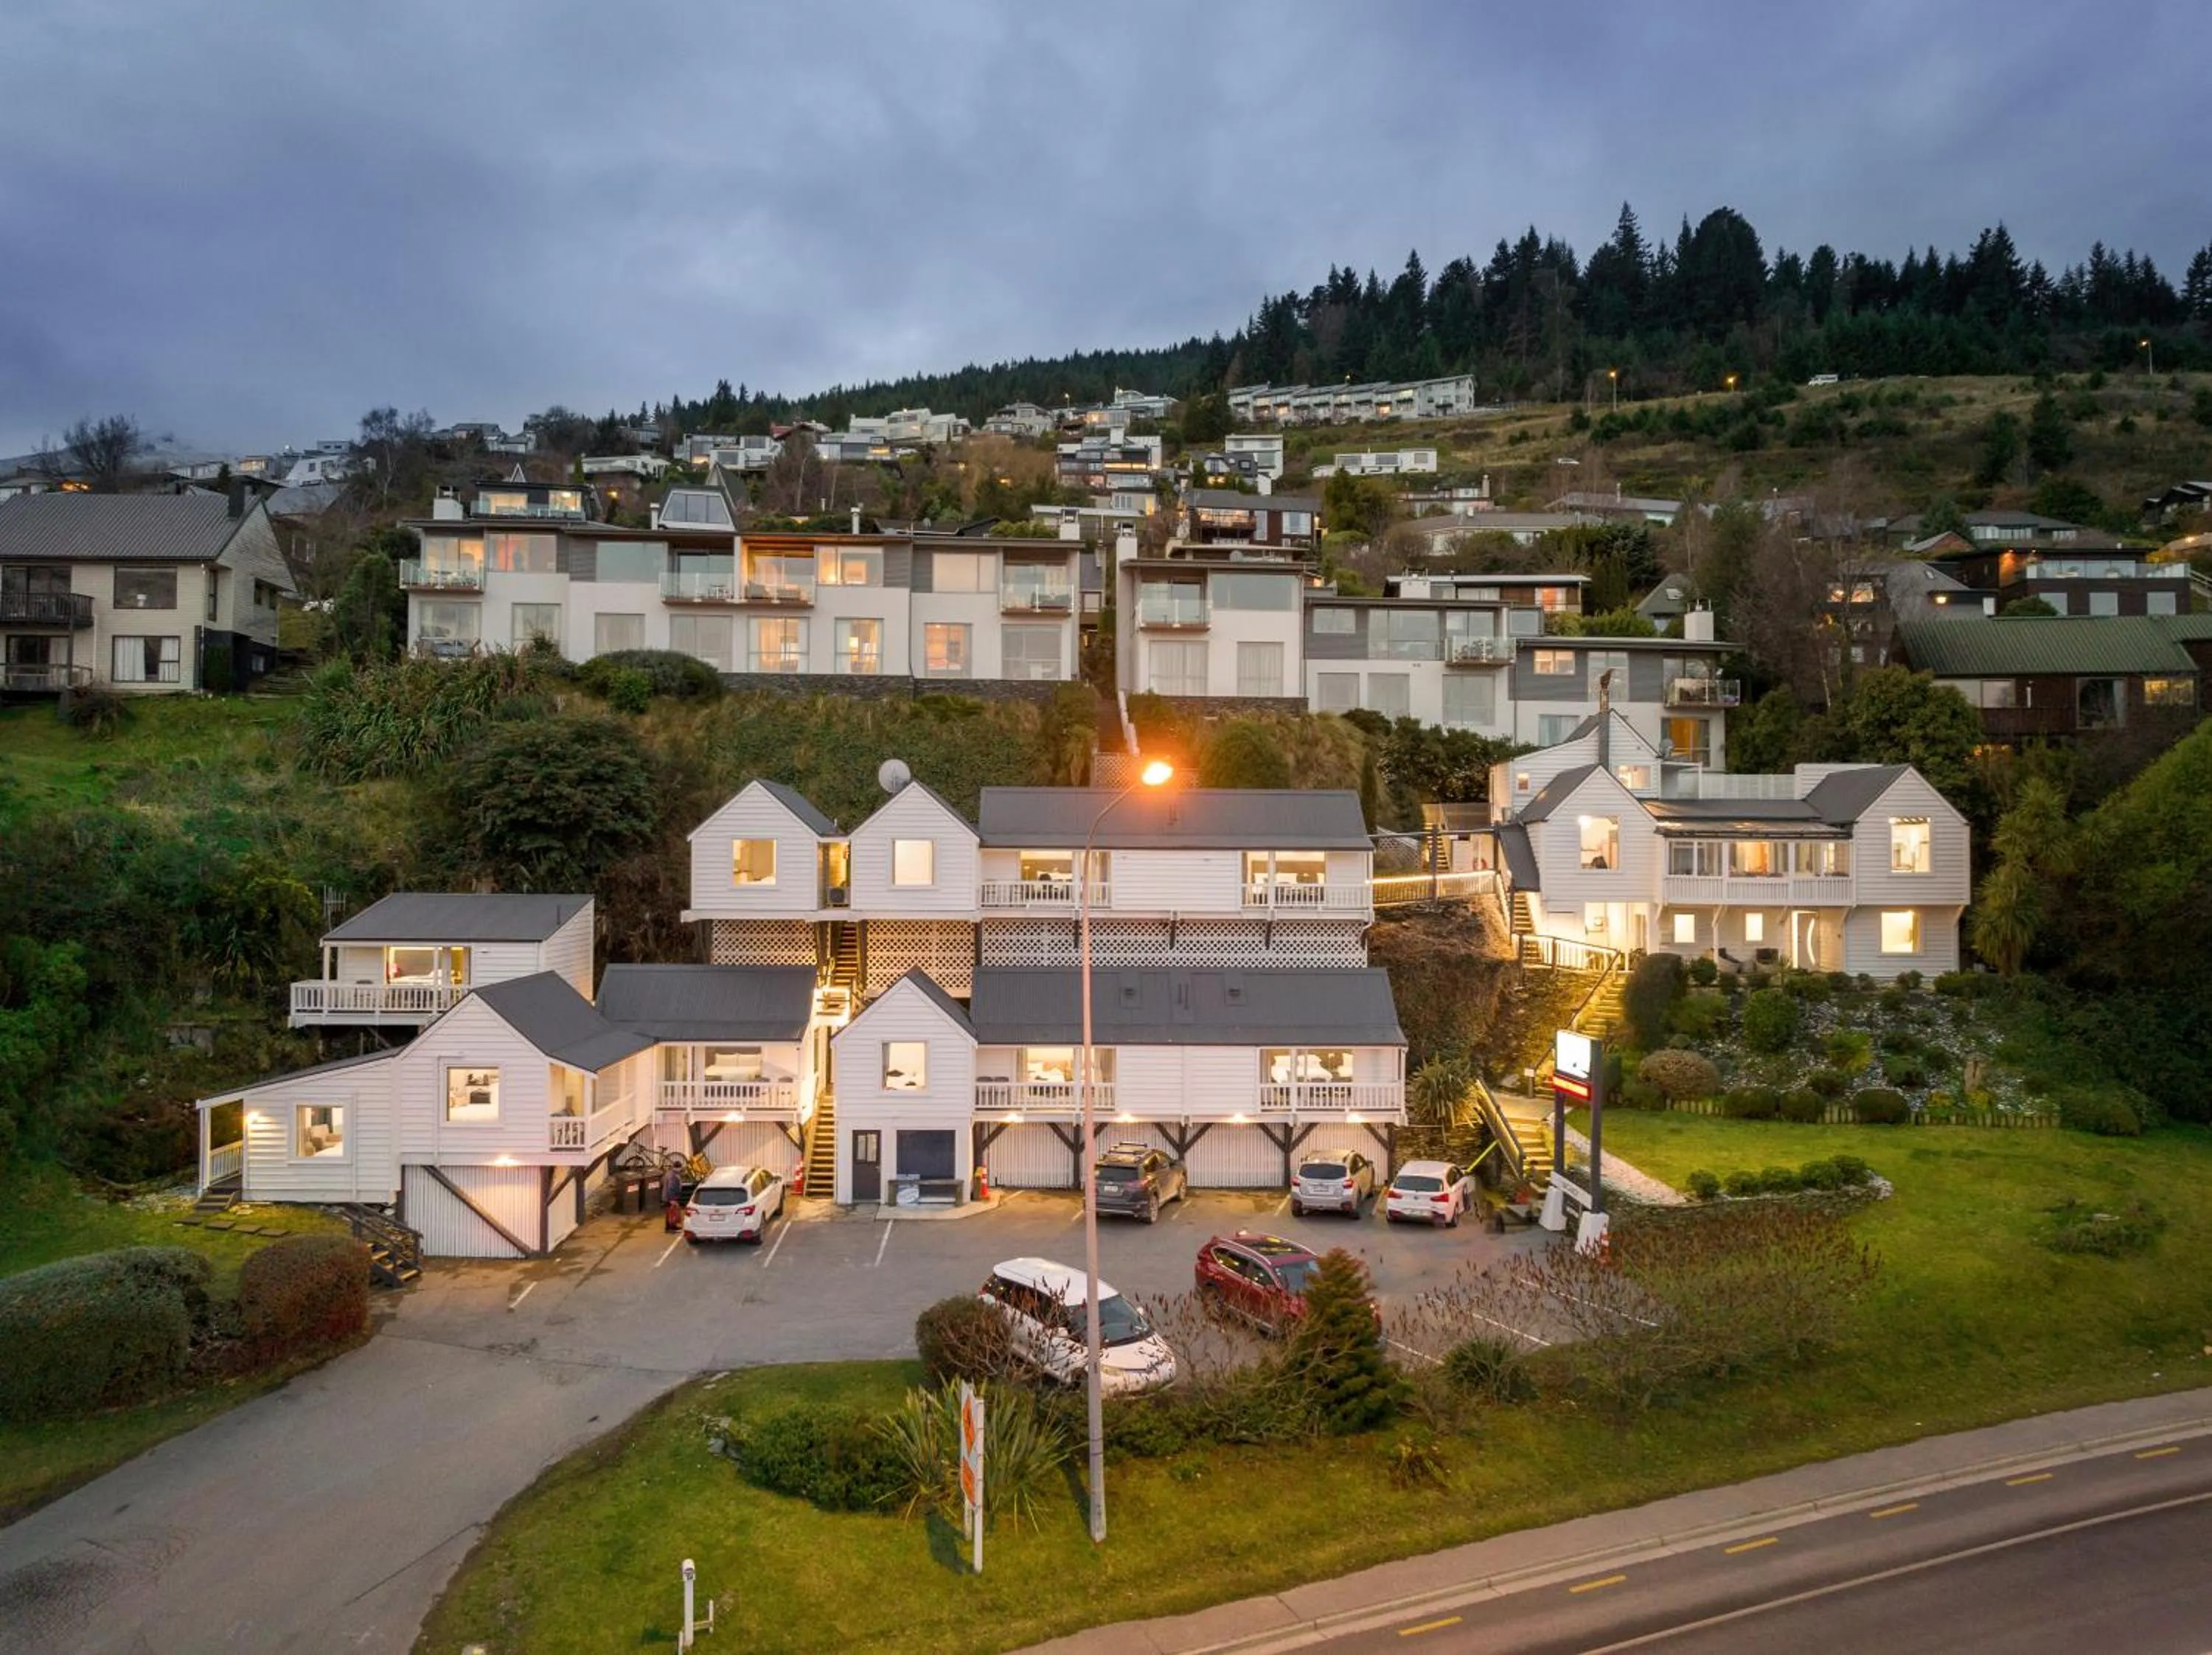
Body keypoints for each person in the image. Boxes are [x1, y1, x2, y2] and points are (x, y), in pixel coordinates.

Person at [662, 1162, 684, 1232]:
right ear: (677, 1168)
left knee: (670, 1212)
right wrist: (672, 1199)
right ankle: (670, 1228)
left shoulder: (670, 1173)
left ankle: (671, 1227)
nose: (680, 1170)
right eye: (680, 1168)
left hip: (668, 1197)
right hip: (670, 1197)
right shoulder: (672, 1175)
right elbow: (671, 1188)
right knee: (671, 1212)